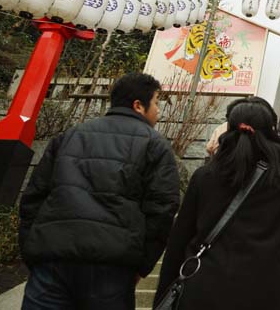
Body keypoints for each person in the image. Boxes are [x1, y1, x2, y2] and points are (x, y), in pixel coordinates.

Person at [19, 72, 180, 310]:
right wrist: (141, 265)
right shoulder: (155, 144)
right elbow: (162, 210)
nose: (158, 110)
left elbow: (33, 197)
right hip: (112, 268)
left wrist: (32, 249)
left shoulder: (69, 136)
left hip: (52, 261)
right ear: (138, 105)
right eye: (156, 102)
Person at [156, 98, 280, 310]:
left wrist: (162, 297)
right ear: (271, 131)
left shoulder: (204, 177)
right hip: (266, 292)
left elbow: (178, 241)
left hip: (203, 290)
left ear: (228, 129)